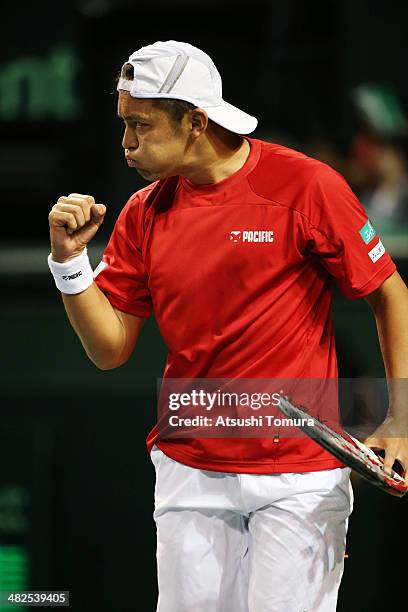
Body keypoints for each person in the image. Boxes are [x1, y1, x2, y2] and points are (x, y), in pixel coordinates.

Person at [47, 41, 408, 612]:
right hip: (188, 466)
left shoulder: (307, 186)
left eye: (139, 124)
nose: (125, 142)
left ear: (195, 121)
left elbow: (390, 292)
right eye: (123, 124)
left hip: (298, 476)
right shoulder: (142, 212)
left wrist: (401, 418)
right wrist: (68, 265)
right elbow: (110, 348)